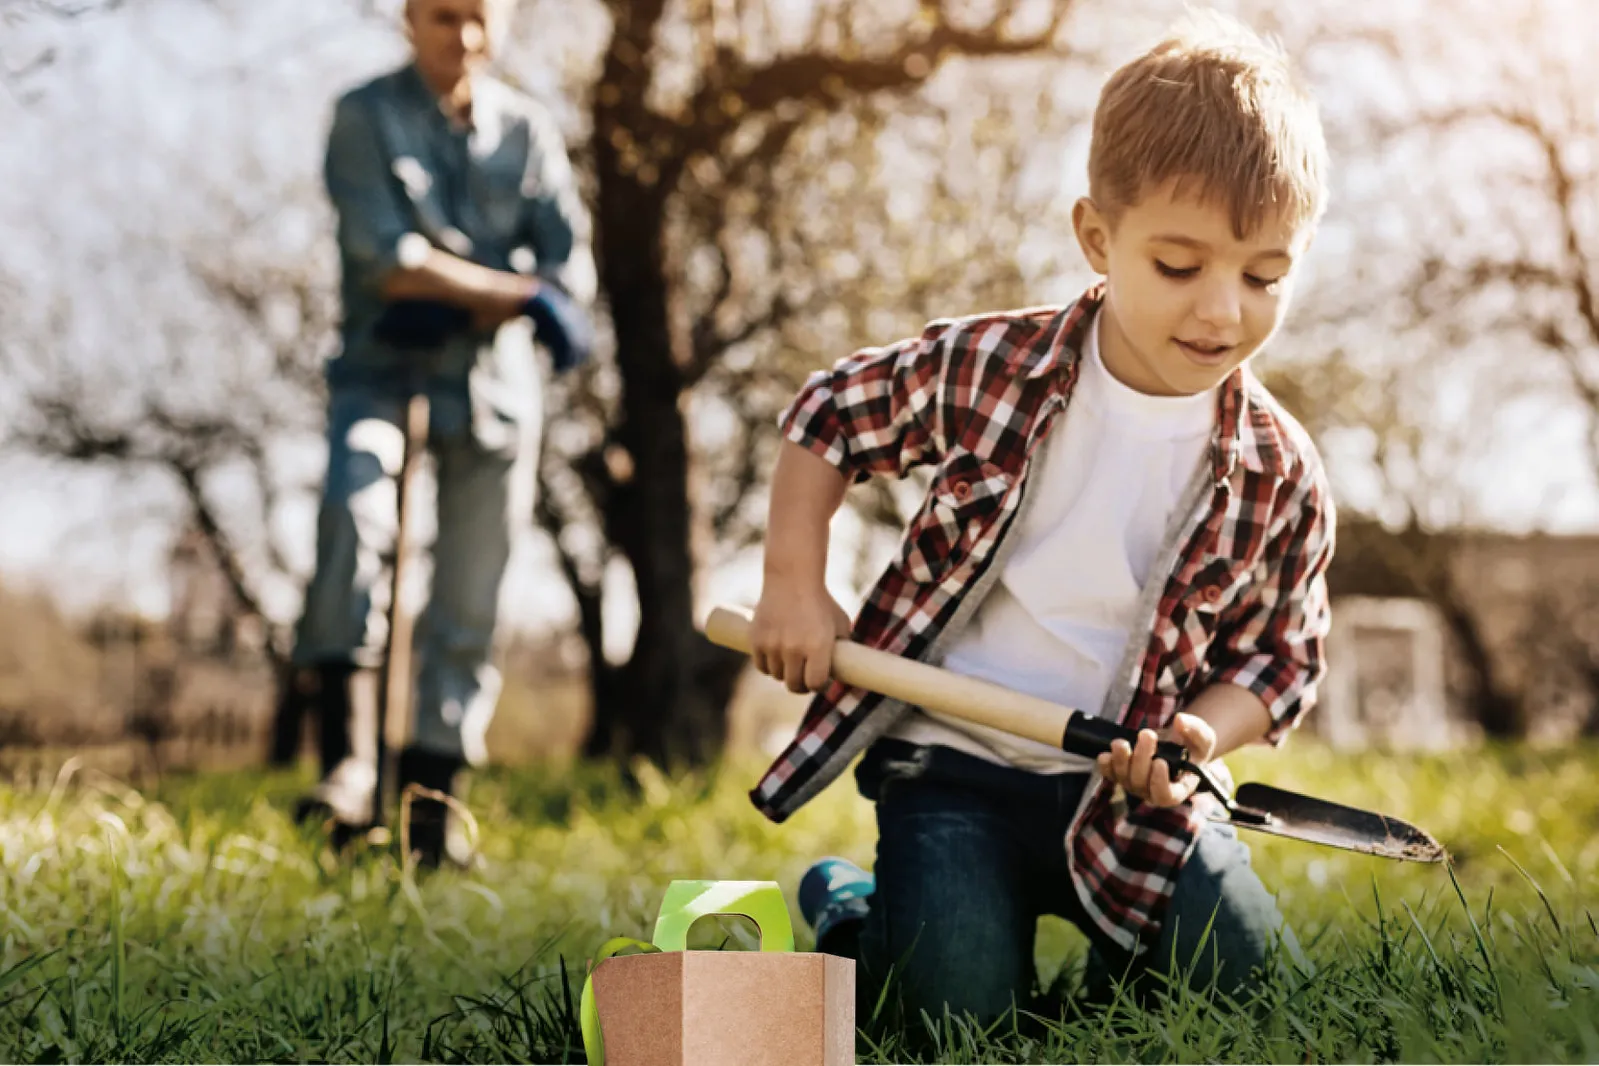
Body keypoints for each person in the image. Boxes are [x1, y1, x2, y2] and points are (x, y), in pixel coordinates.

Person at [748, 10, 1336, 1025]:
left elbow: (1283, 658)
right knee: (955, 1022)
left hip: (1131, 795)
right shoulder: (995, 369)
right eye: (1179, 265)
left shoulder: (1278, 470)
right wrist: (796, 586)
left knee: (1254, 1000)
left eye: (1264, 276)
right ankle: (858, 917)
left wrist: (1202, 732)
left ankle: (1126, 955)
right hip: (956, 767)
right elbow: (828, 416)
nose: (1222, 312)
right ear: (1099, 239)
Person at [292, 0, 596, 867]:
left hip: (495, 393)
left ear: (498, 25)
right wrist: (514, 294)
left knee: (471, 592)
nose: (458, 37)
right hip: (383, 374)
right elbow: (388, 262)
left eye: (475, 17)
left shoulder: (528, 133)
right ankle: (349, 767)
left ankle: (433, 805)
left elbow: (568, 266)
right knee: (355, 522)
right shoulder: (364, 116)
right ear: (407, 20)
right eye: (438, 15)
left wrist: (484, 289)